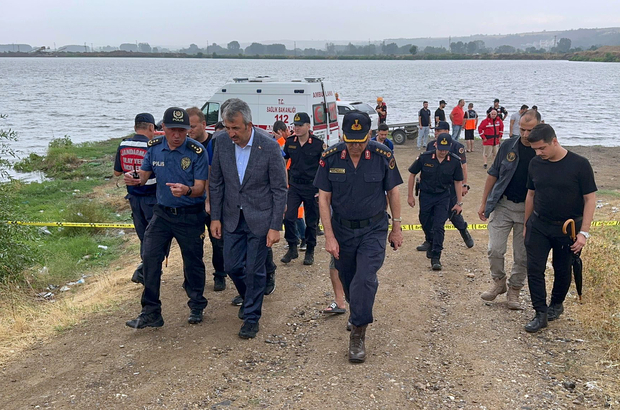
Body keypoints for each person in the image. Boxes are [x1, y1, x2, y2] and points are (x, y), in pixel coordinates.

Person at [314, 111, 403, 363]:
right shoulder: (330, 157)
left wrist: (396, 228)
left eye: (361, 141)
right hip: (342, 230)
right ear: (343, 135)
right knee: (349, 279)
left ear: (369, 135)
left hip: (373, 229)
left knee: (364, 278)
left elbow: (393, 192)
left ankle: (358, 332)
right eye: (351, 140)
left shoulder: (382, 155)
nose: (355, 146)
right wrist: (329, 237)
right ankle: (357, 310)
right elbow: (324, 198)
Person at [209, 98, 287, 339]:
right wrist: (215, 217)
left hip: (260, 218)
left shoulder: (269, 146)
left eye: (236, 128)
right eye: (227, 127)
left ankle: (252, 317)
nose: (231, 133)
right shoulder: (220, 142)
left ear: (249, 125)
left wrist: (275, 226)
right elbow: (217, 182)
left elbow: (279, 189)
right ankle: (249, 297)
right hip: (232, 217)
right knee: (231, 266)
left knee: (254, 270)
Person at [125, 107, 209, 329]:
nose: (178, 135)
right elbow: (144, 175)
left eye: (182, 130)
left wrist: (187, 190)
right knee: (150, 257)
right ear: (164, 128)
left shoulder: (197, 151)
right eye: (173, 130)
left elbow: (201, 188)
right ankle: (151, 311)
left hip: (190, 214)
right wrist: (135, 179)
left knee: (193, 262)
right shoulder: (154, 148)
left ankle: (197, 304)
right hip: (162, 213)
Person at [523, 124, 596, 333]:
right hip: (539, 224)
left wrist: (584, 232)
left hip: (568, 228)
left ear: (554, 141)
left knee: (562, 269)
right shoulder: (535, 163)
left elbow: (590, 199)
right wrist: (527, 224)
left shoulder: (580, 164)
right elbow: (530, 194)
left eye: (542, 148)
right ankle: (540, 313)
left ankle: (556, 304)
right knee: (534, 268)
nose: (538, 153)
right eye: (535, 149)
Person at [477, 110, 541, 310]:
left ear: (539, 127)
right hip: (503, 205)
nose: (525, 134)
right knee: (494, 249)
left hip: (529, 210)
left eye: (530, 130)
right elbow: (492, 175)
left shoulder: (544, 151)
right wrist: (484, 203)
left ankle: (514, 290)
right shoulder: (507, 146)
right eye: (522, 129)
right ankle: (499, 282)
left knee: (522, 255)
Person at [113, 113, 158, 285]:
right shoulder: (152, 146)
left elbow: (117, 172)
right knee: (155, 236)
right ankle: (145, 270)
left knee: (143, 236)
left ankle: (146, 270)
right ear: (151, 128)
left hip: (133, 197)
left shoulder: (124, 144)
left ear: (135, 127)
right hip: (151, 197)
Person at [408, 133, 463, 271]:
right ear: (435, 145)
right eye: (440, 148)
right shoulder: (425, 157)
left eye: (445, 148)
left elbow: (458, 181)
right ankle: (431, 241)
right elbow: (412, 174)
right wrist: (410, 195)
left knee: (439, 225)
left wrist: (459, 203)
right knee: (424, 220)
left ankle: (436, 256)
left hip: (443, 196)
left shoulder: (455, 161)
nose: (443, 151)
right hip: (426, 195)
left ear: (450, 147)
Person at [186, 107, 227, 292]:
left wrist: (211, 201)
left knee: (217, 242)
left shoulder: (215, 143)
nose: (189, 131)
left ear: (204, 125)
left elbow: (215, 175)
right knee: (192, 244)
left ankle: (220, 275)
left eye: (193, 127)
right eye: (187, 127)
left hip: (213, 201)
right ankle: (192, 278)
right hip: (192, 202)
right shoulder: (184, 146)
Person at [280, 112, 323, 266]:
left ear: (308, 126)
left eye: (300, 125)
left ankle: (310, 250)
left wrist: (321, 189)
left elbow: (323, 168)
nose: (296, 128)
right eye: (295, 125)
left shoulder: (318, 144)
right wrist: (285, 183)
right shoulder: (290, 142)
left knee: (311, 221)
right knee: (288, 216)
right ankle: (292, 246)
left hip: (312, 186)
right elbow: (283, 162)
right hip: (295, 186)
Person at [422, 121, 474, 250]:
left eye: (438, 131)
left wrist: (464, 185)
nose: (435, 133)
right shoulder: (430, 145)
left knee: (453, 213)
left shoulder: (457, 146)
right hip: (433, 186)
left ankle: (464, 231)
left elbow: (463, 167)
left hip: (450, 187)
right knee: (430, 216)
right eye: (435, 131)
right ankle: (430, 241)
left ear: (446, 131)